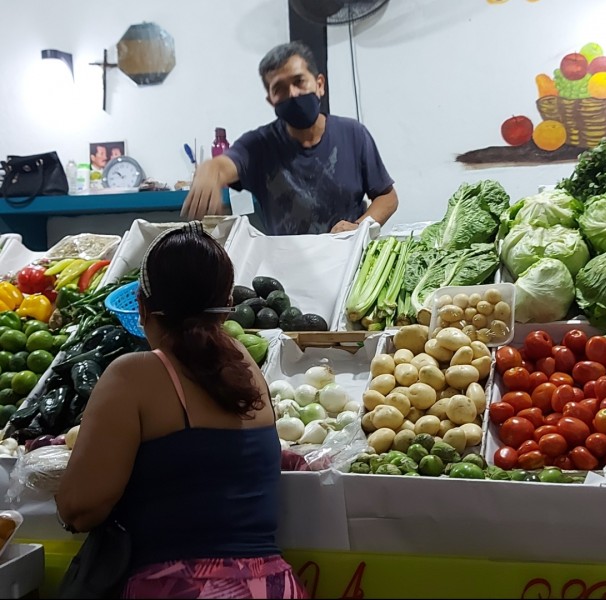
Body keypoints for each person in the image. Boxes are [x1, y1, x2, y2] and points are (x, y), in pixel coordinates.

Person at [55, 222, 305, 599]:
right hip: (270, 586)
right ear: (227, 307)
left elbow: (80, 509)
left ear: (141, 306)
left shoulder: (133, 375)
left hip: (181, 587)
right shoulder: (246, 365)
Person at [181, 41, 398, 235]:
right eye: (280, 89)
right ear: (271, 100)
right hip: (286, 266)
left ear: (319, 84)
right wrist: (210, 170)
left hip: (348, 260)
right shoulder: (259, 146)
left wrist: (359, 228)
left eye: (299, 81)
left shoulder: (353, 134)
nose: (292, 94)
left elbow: (387, 197)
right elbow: (225, 165)